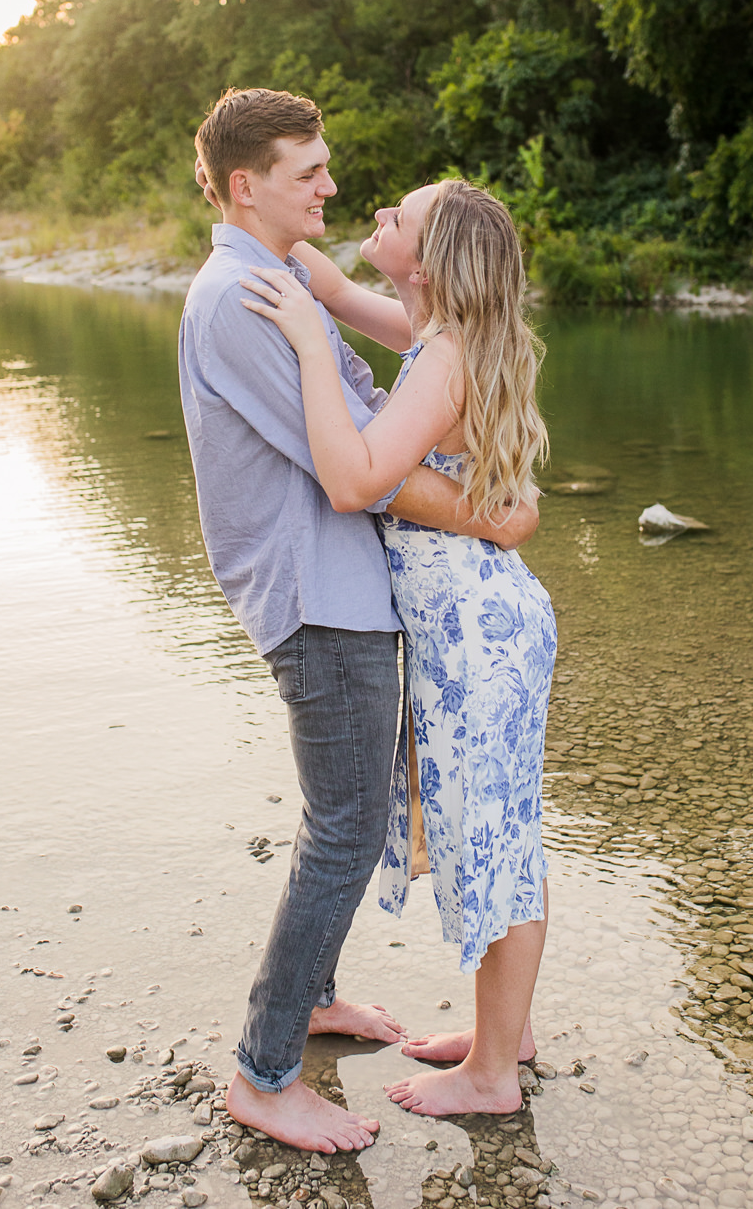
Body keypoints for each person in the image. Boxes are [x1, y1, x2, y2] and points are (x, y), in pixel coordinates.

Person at [181, 89, 537, 1151]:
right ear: (248, 185)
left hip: (358, 595)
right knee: (344, 827)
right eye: (311, 172)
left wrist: (495, 514)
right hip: (317, 597)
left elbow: (371, 402)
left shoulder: (283, 277)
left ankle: (322, 1001)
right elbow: (360, 477)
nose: (335, 188)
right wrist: (498, 517)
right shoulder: (244, 300)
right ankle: (264, 1069)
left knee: (357, 820)